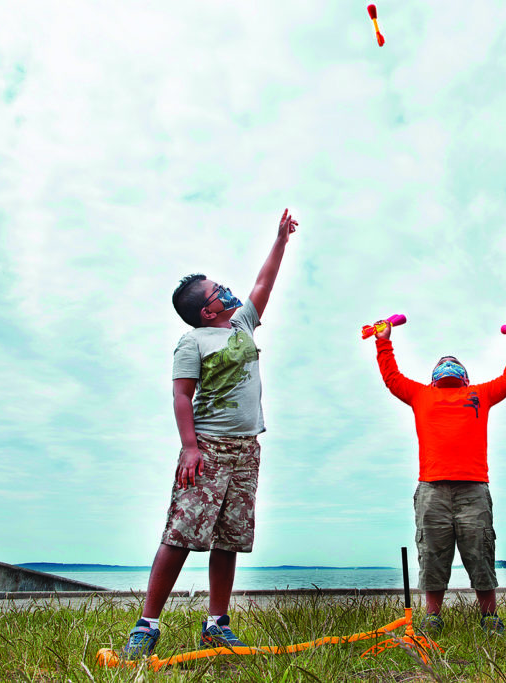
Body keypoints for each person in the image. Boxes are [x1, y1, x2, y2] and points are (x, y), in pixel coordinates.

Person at [121, 209, 298, 659]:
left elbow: (264, 284)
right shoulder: (193, 342)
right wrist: (189, 448)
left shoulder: (241, 324)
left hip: (245, 451)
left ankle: (216, 624)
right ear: (207, 310)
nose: (228, 290)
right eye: (218, 291)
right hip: (207, 450)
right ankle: (147, 624)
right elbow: (182, 396)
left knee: (230, 538)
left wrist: (280, 241)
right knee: (180, 534)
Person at [372, 321, 506, 635]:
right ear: (433, 376)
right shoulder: (420, 394)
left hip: (473, 489)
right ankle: (433, 617)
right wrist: (383, 341)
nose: (448, 365)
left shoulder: (480, 394)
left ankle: (490, 618)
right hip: (431, 489)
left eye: (455, 363)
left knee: (481, 551)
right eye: (441, 363)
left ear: (466, 376)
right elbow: (392, 379)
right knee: (432, 554)